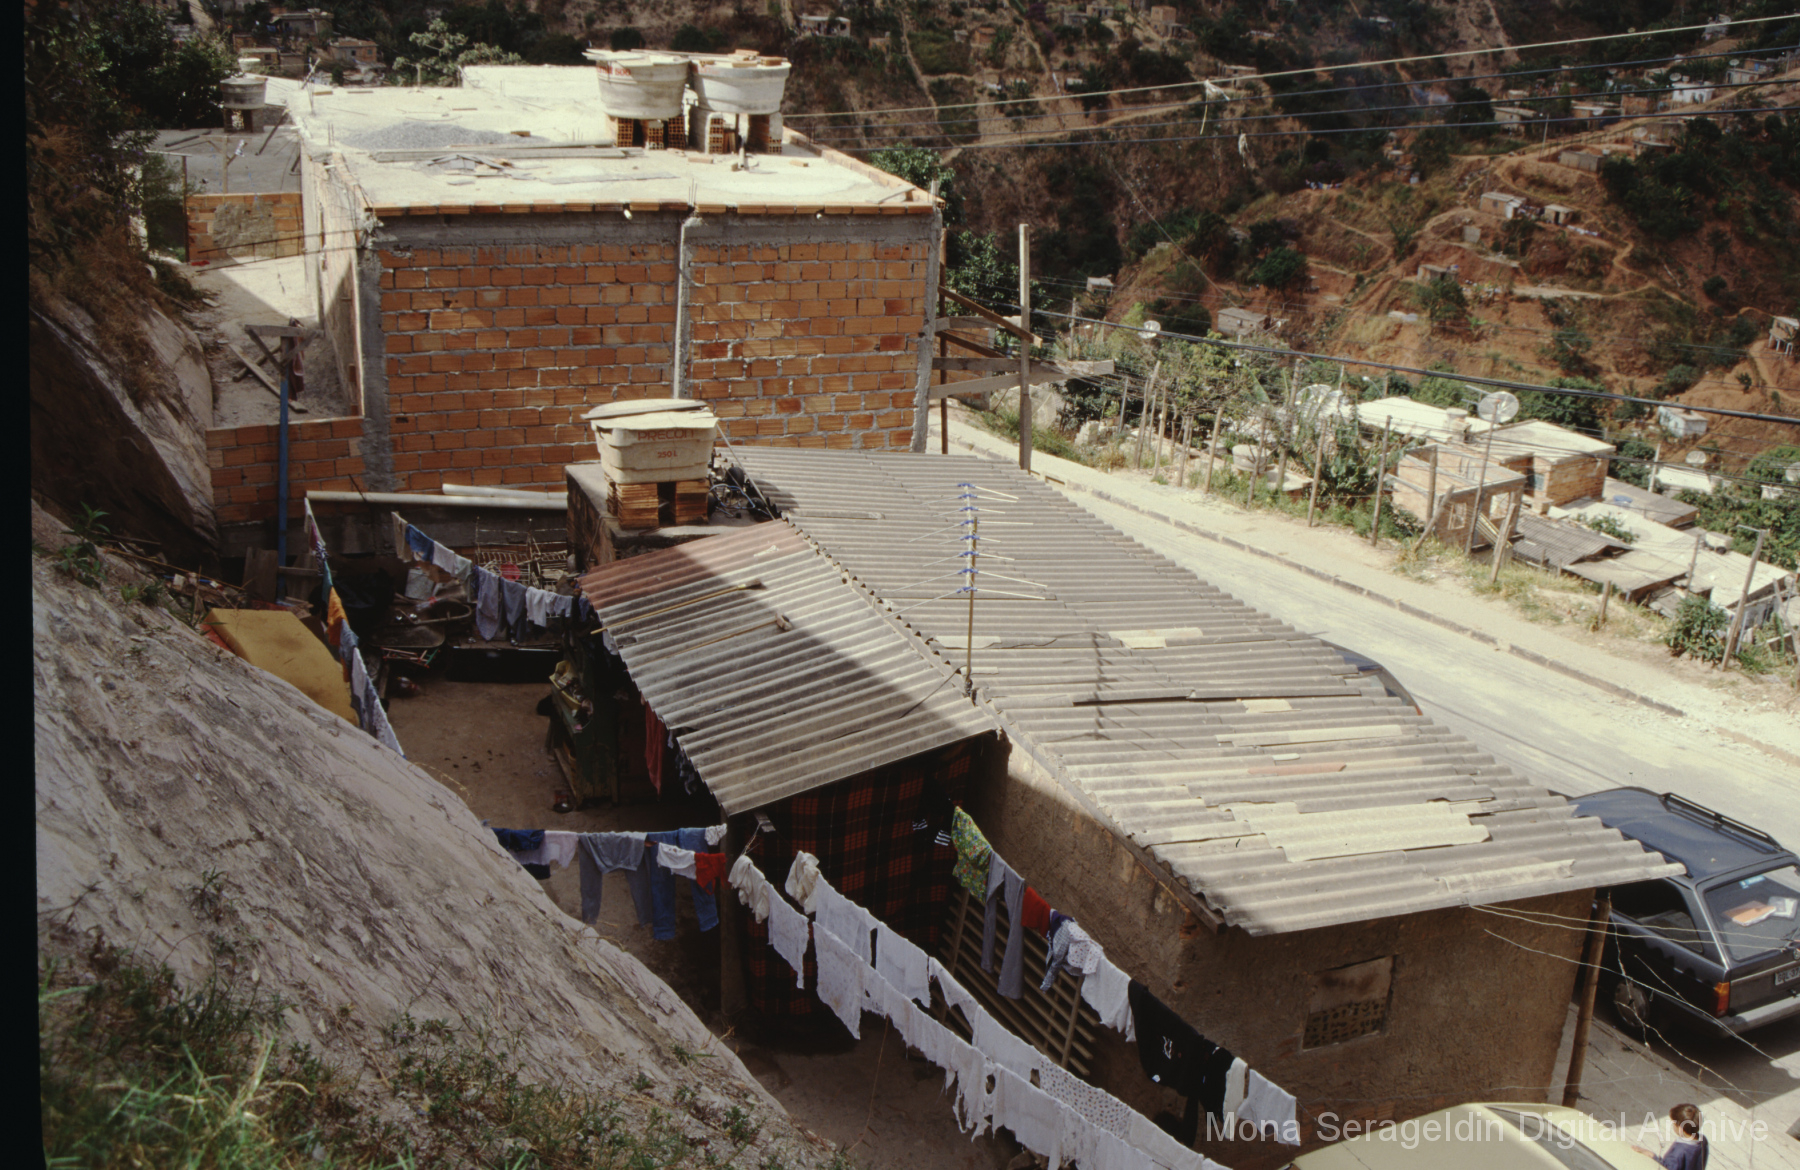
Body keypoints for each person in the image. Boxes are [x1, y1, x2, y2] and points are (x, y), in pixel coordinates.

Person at [1633, 1103, 1708, 1170]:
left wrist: (1652, 1156)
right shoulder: (1703, 1140)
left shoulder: (1678, 1152)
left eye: (1673, 1123)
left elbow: (1667, 1168)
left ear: (1680, 1128)